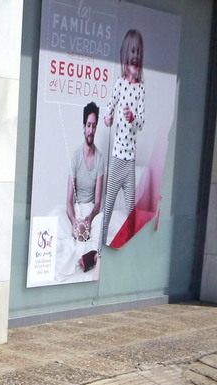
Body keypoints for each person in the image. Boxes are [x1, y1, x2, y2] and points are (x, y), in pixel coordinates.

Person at [100, 29, 146, 255]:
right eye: (132, 51)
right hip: (117, 157)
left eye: (138, 52)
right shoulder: (119, 84)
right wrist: (108, 118)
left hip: (130, 160)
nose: (135, 56)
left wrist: (132, 117)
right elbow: (109, 109)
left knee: (130, 208)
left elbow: (142, 122)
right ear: (126, 56)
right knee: (108, 206)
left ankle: (128, 249)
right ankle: (100, 246)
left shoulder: (140, 89)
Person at [60, 101, 103, 280]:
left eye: (94, 126)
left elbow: (99, 201)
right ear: (83, 127)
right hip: (77, 209)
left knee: (103, 227)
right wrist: (74, 221)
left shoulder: (100, 159)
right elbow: (68, 199)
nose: (91, 130)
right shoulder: (76, 156)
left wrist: (89, 218)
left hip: (91, 211)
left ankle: (89, 259)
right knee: (57, 219)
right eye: (88, 125)